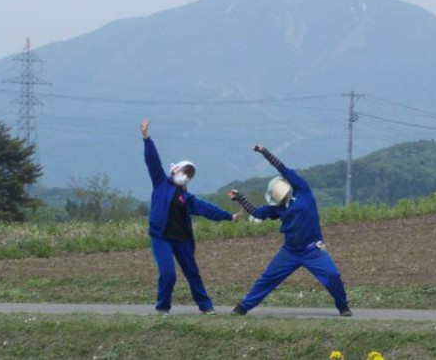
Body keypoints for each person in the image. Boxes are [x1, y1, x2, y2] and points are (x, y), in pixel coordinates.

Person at [228, 144, 352, 317]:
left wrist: (264, 151)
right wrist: (239, 198)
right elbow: (257, 212)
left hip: (313, 249)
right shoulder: (277, 208)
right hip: (290, 251)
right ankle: (243, 307)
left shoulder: (303, 190)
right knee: (268, 279)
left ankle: (343, 306)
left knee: (332, 276)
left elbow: (281, 167)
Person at [140, 118, 241, 315]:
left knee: (192, 273)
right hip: (161, 238)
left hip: (182, 240)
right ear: (174, 170)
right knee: (168, 274)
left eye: (189, 174)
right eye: (184, 171)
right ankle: (162, 308)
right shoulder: (161, 183)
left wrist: (229, 216)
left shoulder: (188, 198)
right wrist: (146, 138)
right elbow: (152, 161)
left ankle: (206, 306)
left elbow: (207, 209)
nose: (185, 175)